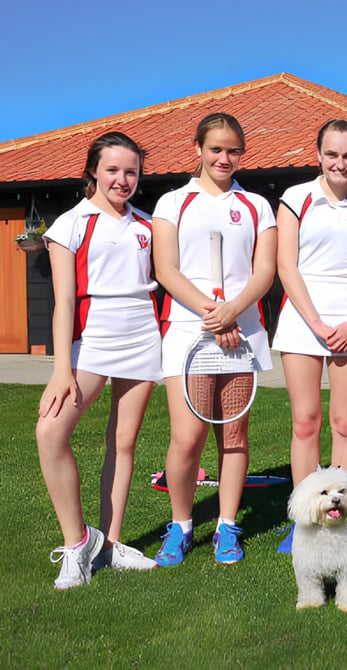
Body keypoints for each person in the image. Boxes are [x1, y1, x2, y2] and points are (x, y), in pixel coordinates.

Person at [151, 112, 277, 567]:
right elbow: (166, 270)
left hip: (242, 332)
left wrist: (232, 311)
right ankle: (181, 525)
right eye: (216, 149)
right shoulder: (173, 202)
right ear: (198, 150)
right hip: (190, 334)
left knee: (235, 435)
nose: (225, 158)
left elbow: (265, 271)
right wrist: (214, 314)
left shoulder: (257, 206)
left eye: (233, 150)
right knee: (187, 438)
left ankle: (227, 525)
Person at [37, 131, 160, 589]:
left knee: (123, 443)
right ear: (93, 170)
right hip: (90, 343)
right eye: (112, 169)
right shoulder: (70, 223)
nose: (122, 179)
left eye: (131, 171)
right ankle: (77, 543)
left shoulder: (149, 225)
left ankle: (110, 546)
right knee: (50, 431)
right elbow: (63, 303)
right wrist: (60, 370)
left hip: (143, 339)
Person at [271, 120, 347, 553]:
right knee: (305, 422)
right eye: (332, 155)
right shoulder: (296, 198)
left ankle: (344, 522)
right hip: (302, 320)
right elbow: (286, 266)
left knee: (345, 423)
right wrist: (316, 323)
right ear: (318, 155)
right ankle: (304, 523)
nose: (341, 163)